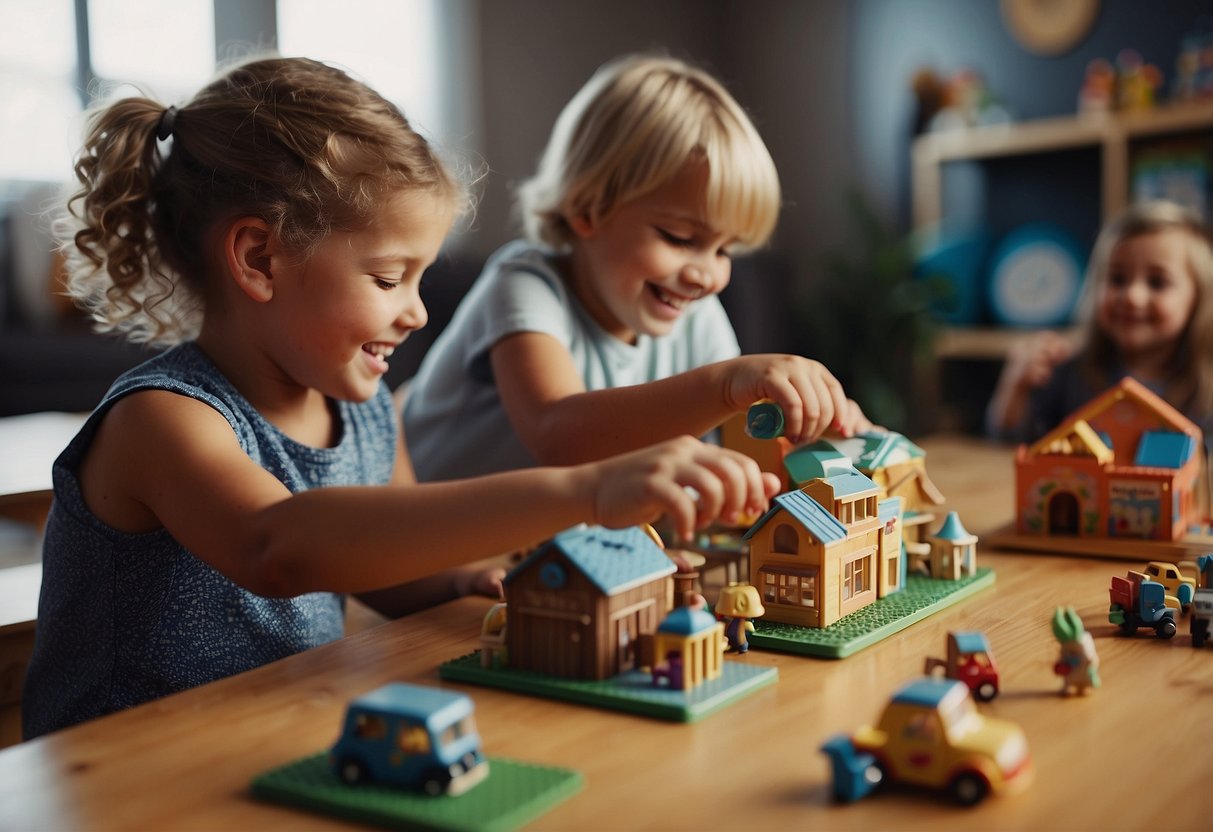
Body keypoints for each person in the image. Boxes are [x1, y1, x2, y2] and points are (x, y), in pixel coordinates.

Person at [22, 56, 780, 739]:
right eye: (389, 279)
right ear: (259, 258)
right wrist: (588, 490)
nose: (416, 312)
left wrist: (458, 582)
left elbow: (382, 565)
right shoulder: (162, 418)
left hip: (276, 729)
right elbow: (278, 546)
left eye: (420, 280)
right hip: (134, 764)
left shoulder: (361, 407)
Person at [403, 54, 870, 484]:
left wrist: (810, 425)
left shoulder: (694, 311)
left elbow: (737, 437)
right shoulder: (524, 285)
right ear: (589, 209)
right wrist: (728, 384)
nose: (706, 275)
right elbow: (559, 436)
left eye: (725, 250)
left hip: (541, 546)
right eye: (681, 239)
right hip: (419, 536)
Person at [986, 200, 1213, 444]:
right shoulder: (1070, 372)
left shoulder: (1205, 388)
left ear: (1197, 299)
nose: (1132, 297)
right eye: (1117, 278)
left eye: (1157, 282)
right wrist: (1015, 385)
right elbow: (1007, 442)